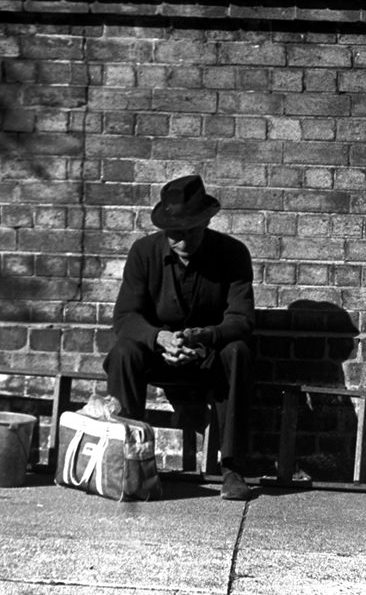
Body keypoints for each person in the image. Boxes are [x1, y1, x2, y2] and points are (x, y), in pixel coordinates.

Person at [104, 174, 257, 500]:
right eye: (174, 232)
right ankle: (125, 462)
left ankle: (232, 468)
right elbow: (125, 317)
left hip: (209, 354)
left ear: (206, 222)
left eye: (191, 230)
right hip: (158, 354)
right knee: (123, 353)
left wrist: (206, 337)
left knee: (239, 351)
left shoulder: (233, 254)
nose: (182, 240)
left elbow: (241, 320)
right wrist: (159, 338)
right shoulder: (143, 253)